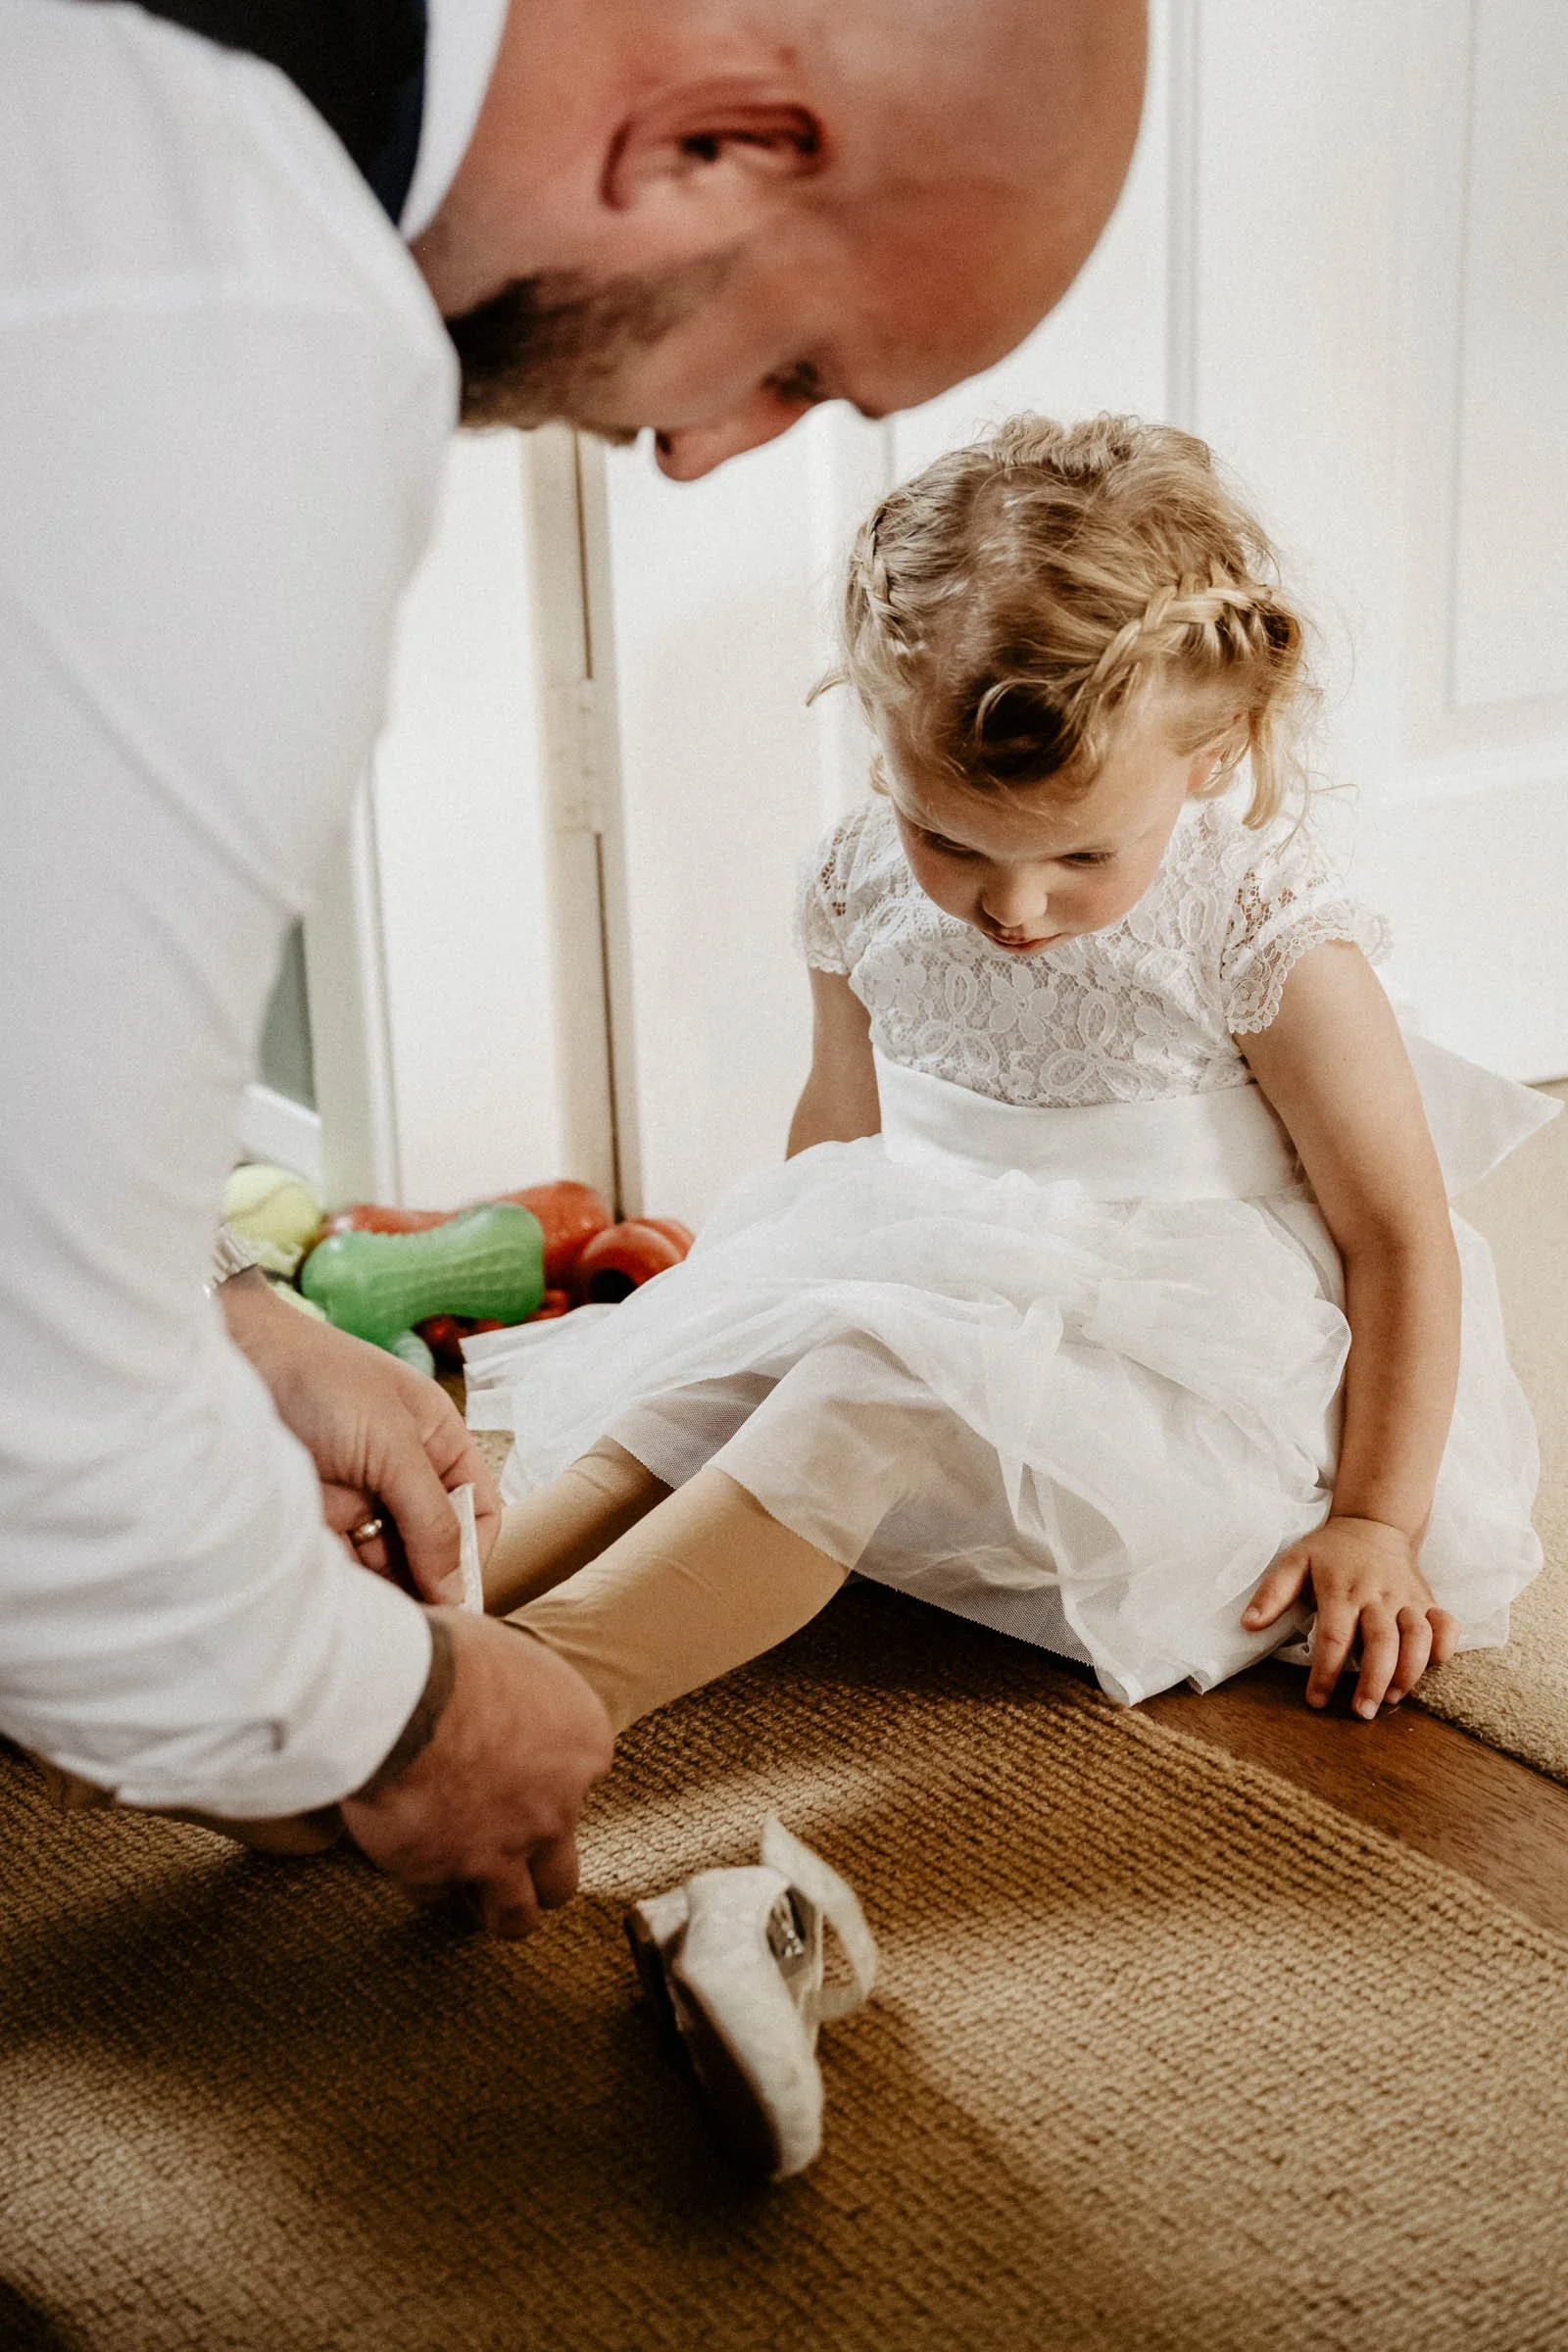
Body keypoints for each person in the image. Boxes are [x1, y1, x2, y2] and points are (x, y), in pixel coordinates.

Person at [0, 0, 1146, 1932]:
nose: (704, 453)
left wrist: (229, 1318)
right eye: (790, 363)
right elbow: (45, 1441)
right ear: (713, 140)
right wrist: (404, 1722)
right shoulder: (232, 338)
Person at [464, 413, 1549, 1733]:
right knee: (736, 1369)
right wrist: (769, 1296)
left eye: (1083, 858)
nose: (1014, 907)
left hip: (1185, 1381)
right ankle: (423, 1631)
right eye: (950, 839)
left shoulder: (1257, 930)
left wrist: (1378, 1519)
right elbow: (839, 1140)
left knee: (867, 1386)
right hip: (935, 1267)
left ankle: (528, 1704)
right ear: (883, 746)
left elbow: (1399, 1236)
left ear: (1209, 758)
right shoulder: (861, 876)